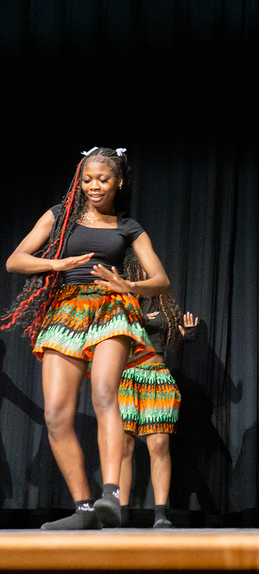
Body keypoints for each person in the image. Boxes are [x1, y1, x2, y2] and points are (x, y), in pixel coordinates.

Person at [2, 147, 170, 529]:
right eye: (88, 179)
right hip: (66, 311)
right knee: (56, 414)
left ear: (119, 182)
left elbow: (161, 280)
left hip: (111, 308)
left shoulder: (128, 227)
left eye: (103, 179)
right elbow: (15, 260)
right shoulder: (59, 217)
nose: (94, 186)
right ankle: (84, 511)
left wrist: (127, 284)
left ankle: (110, 494)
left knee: (104, 394)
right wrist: (55, 264)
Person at [117, 253, 196, 528]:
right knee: (123, 446)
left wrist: (190, 332)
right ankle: (121, 512)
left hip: (157, 377)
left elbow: (180, 334)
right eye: (139, 270)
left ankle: (161, 513)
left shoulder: (164, 304)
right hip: (127, 377)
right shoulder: (124, 302)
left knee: (160, 444)